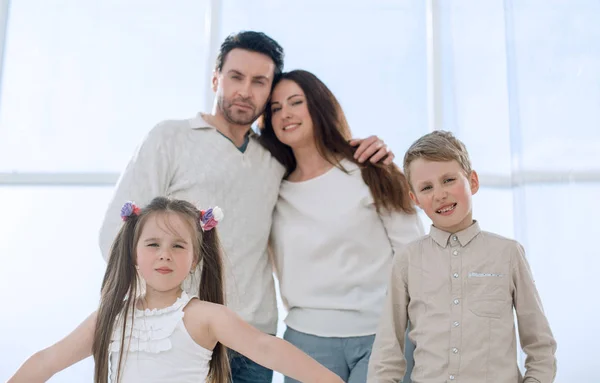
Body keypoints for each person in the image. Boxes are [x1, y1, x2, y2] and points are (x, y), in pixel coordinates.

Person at [98, 31, 393, 383]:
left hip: (254, 339)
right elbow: (116, 236)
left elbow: (318, 169)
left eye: (259, 82)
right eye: (236, 77)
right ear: (215, 78)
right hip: (182, 331)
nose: (245, 90)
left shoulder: (275, 156)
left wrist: (364, 151)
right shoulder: (169, 138)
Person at [9, 197, 346, 383]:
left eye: (178, 246)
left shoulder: (205, 316)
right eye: (153, 244)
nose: (165, 254)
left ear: (196, 257)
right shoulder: (110, 318)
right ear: (134, 254)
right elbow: (46, 362)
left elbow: (266, 347)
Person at [258, 69, 424, 383]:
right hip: (305, 342)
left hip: (382, 336)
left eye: (296, 102)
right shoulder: (270, 189)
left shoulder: (371, 169)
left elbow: (413, 253)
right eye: (275, 108)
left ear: (319, 106)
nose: (286, 114)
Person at [367, 131, 557, 383]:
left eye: (448, 180)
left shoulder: (508, 253)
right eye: (426, 187)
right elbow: (387, 353)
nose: (439, 194)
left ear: (473, 181)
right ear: (415, 199)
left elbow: (540, 346)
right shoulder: (406, 261)